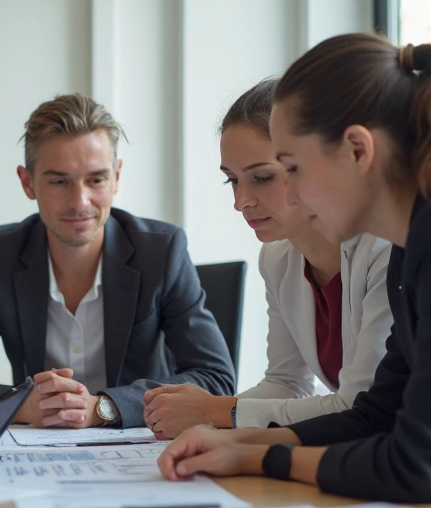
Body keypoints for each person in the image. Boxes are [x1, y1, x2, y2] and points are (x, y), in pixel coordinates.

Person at [158, 33, 431, 508]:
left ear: (359, 150)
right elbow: (375, 414)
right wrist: (241, 441)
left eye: (291, 170)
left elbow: (422, 462)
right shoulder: (420, 236)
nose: (288, 195)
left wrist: (258, 455)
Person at [0, 94, 235, 429]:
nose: (80, 201)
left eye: (96, 179)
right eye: (60, 181)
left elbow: (215, 379)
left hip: (136, 450)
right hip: (36, 453)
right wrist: (23, 404)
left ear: (116, 177)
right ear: (27, 182)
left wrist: (105, 407)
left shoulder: (161, 252)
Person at [142, 79, 392, 439]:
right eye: (232, 181)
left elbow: (361, 407)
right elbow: (287, 383)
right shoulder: (277, 257)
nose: (241, 201)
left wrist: (217, 410)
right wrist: (205, 415)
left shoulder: (383, 248)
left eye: (262, 178)